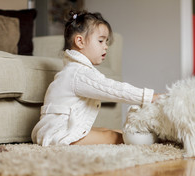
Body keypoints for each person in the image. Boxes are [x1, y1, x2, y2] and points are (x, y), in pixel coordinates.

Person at [31, 11, 158, 146]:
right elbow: (113, 89)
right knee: (112, 136)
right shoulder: (78, 72)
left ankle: (143, 135)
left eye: (106, 41)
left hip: (55, 131)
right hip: (58, 134)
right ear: (80, 41)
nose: (106, 46)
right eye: (101, 41)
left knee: (106, 130)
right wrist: (149, 97)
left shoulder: (74, 69)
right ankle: (154, 139)